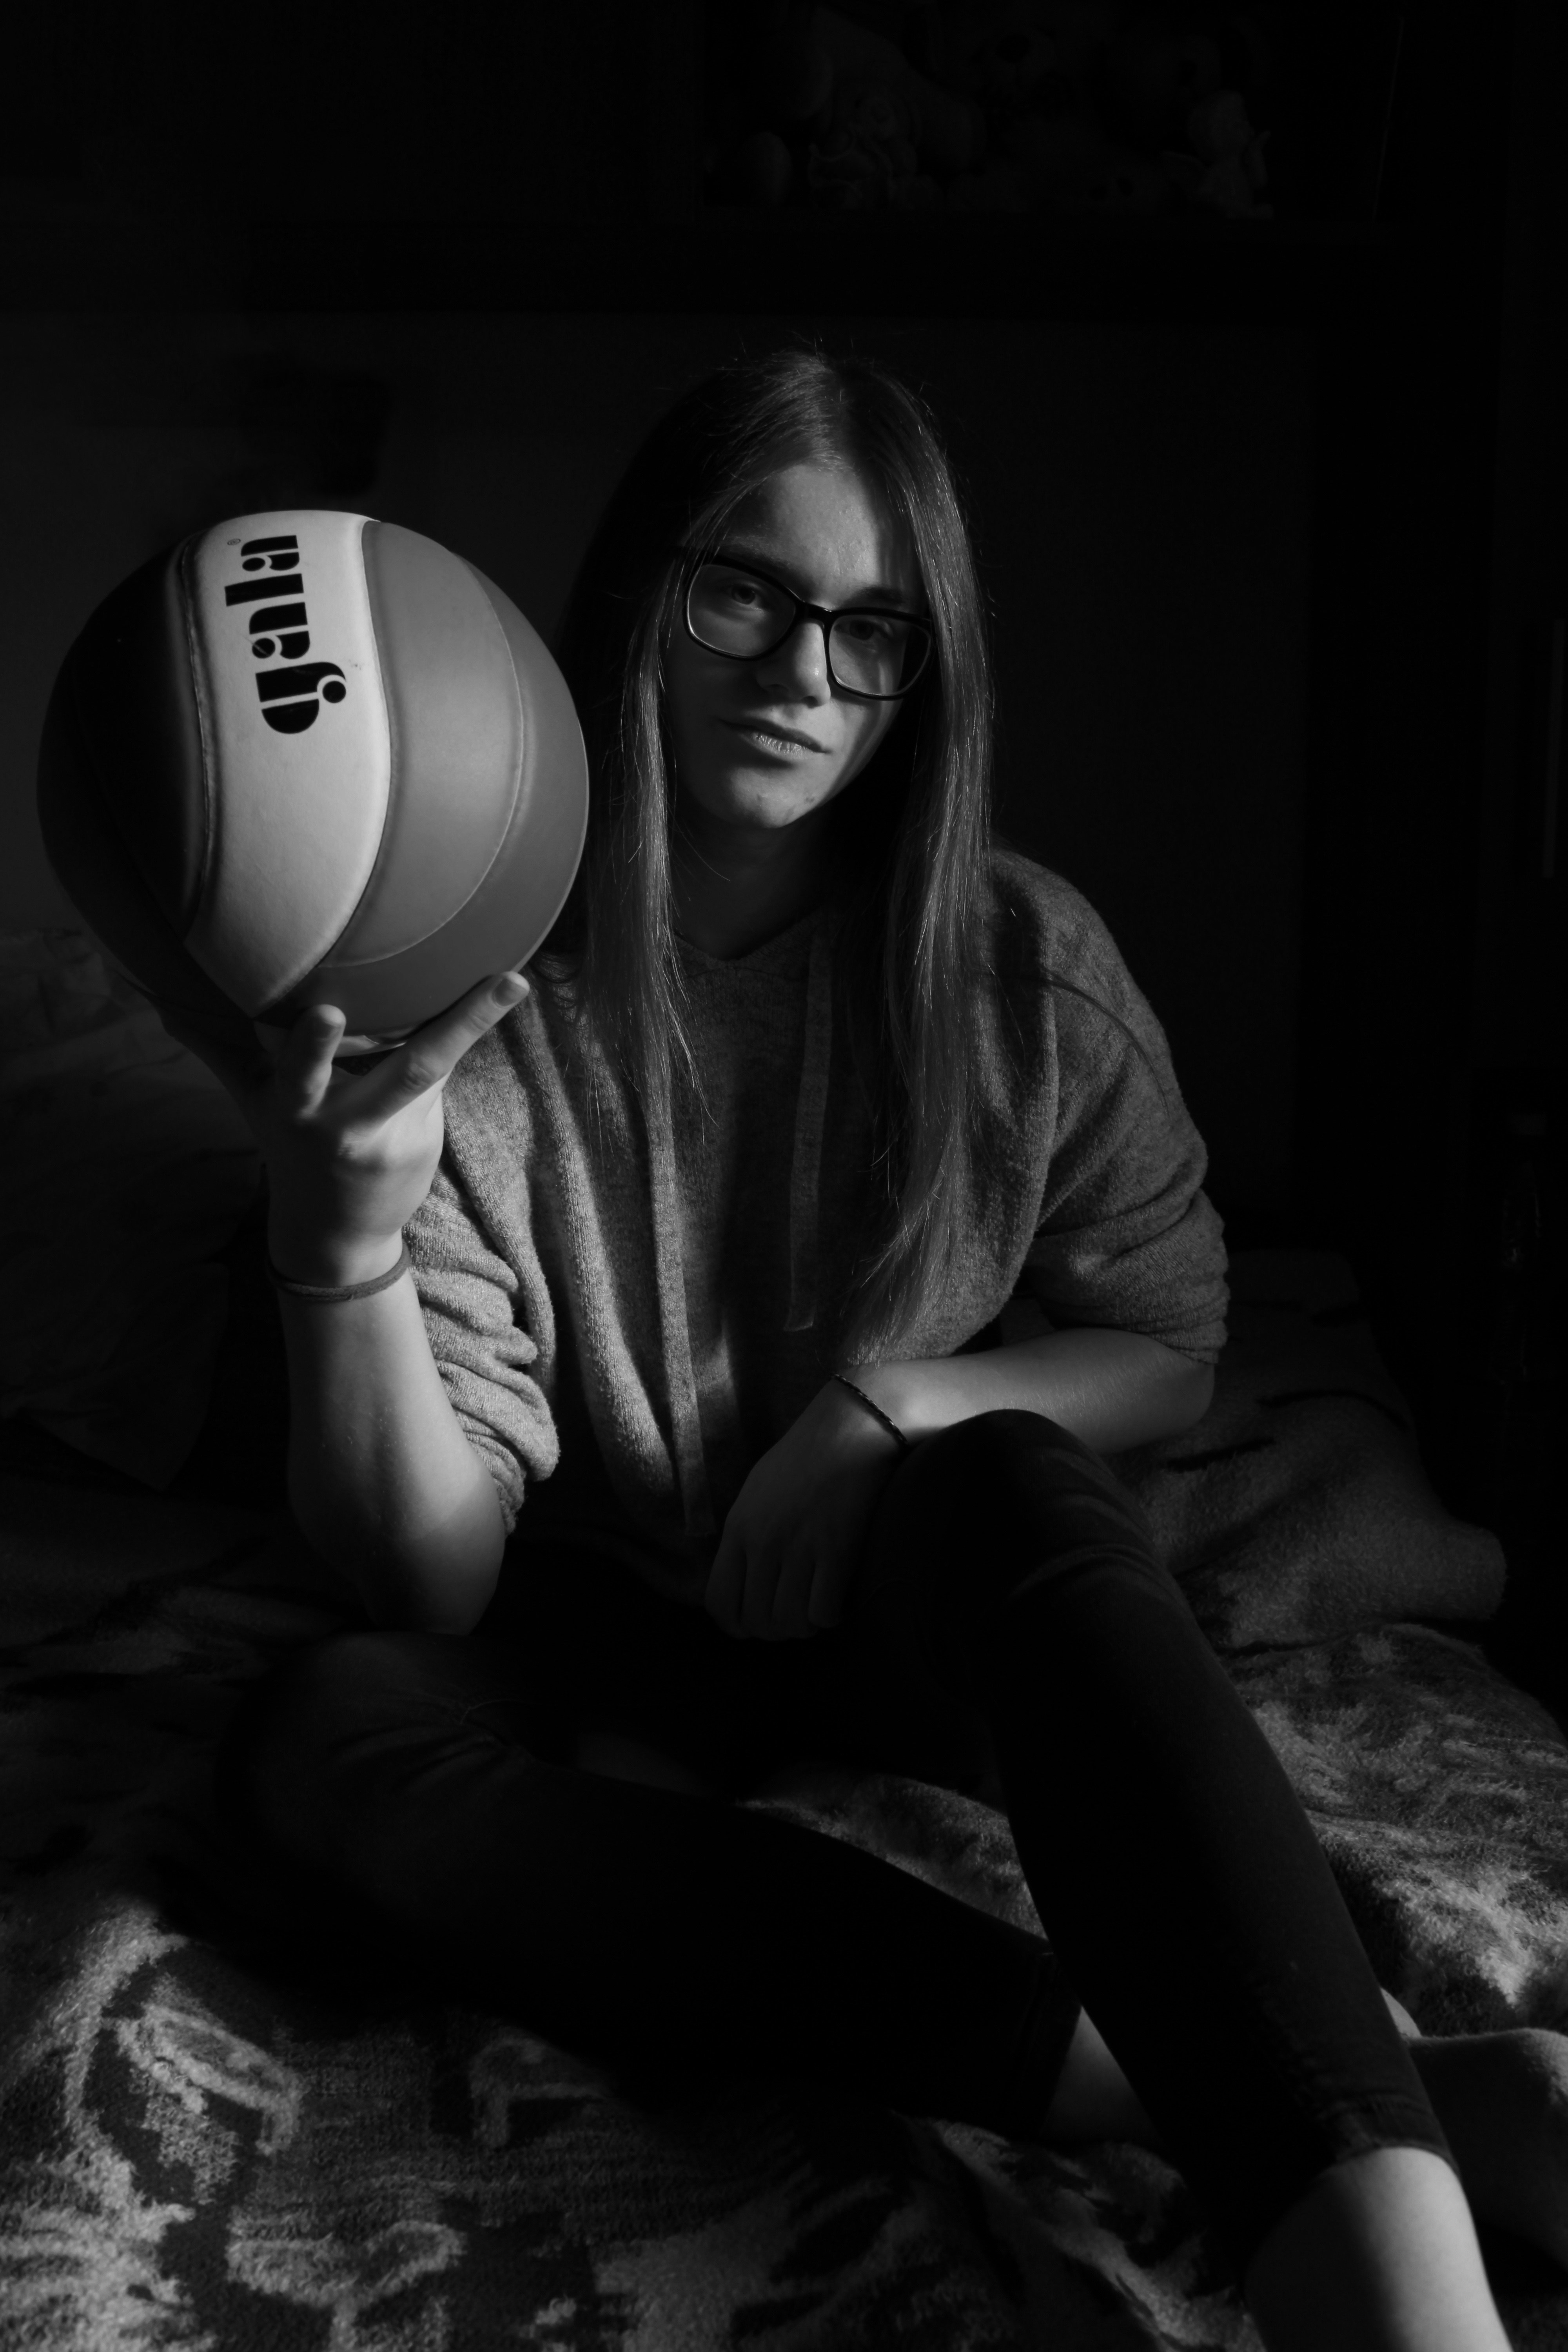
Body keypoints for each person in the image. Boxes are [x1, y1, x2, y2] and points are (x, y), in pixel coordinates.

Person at [186, 349, 1566, 2352]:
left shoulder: (1015, 963)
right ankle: (1335, 2091)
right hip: (601, 1612)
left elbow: (1170, 1340)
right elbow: (434, 1575)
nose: (803, 671)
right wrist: (341, 1249)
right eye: (741, 594)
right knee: (324, 1742)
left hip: (898, 1599)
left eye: (871, 628)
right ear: (639, 601)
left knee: (1013, 1470)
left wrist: (886, 1407)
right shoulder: (464, 1009)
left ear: (924, 673)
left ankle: (1391, 2290)